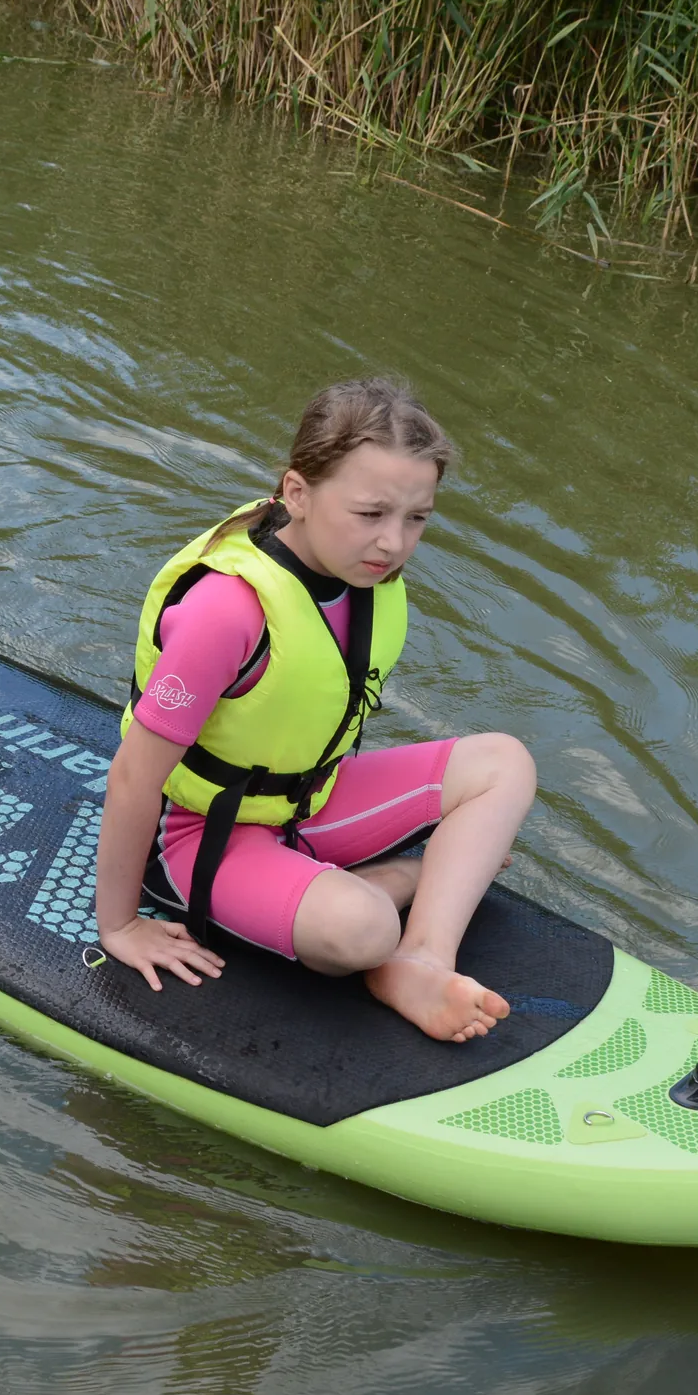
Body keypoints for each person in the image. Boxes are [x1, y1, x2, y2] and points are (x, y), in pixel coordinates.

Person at [92, 379, 537, 1043]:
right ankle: (407, 879)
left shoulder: (360, 572)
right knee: (363, 928)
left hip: (311, 799)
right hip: (202, 833)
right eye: (371, 513)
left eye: (416, 518)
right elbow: (134, 776)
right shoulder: (228, 610)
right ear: (296, 493)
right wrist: (120, 924)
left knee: (506, 762)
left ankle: (420, 961)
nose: (393, 542)